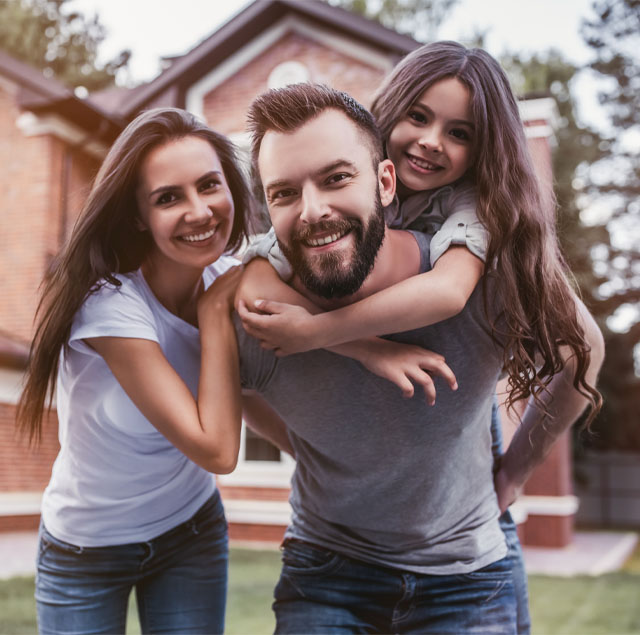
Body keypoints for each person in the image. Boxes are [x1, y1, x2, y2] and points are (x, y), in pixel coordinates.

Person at [213, 80, 604, 633]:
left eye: (336, 178)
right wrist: (314, 446)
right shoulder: (263, 304)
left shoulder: (479, 260)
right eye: (284, 193)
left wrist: (514, 473)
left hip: (465, 574)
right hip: (325, 568)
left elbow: (581, 353)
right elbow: (239, 383)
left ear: (384, 181)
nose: (313, 210)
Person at [16, 107, 288, 635]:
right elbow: (217, 449)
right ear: (139, 215)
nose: (200, 211)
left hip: (190, 532)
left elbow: (240, 394)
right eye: (169, 197)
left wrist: (334, 462)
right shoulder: (110, 305)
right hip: (85, 551)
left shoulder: (231, 277)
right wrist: (212, 313)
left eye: (209, 185)